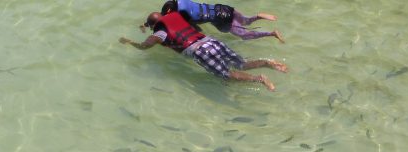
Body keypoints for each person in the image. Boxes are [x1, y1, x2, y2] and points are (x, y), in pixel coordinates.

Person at [120, 11, 287, 91]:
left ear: (152, 26)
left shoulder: (158, 34)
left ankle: (259, 79)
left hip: (200, 51)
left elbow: (143, 46)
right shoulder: (176, 18)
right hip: (211, 41)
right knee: (241, 64)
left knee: (226, 75)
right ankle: (267, 63)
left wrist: (128, 42)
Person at [159, 0, 284, 43]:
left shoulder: (183, 15)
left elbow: (198, 30)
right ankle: (258, 16)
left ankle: (272, 33)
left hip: (221, 19)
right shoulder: (181, 1)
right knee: (245, 21)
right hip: (223, 8)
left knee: (245, 36)